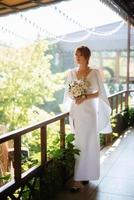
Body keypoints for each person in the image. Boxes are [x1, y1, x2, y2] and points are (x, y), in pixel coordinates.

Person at [63, 46, 112, 192]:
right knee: (79, 144)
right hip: (77, 111)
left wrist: (85, 96)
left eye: (80, 55)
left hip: (90, 113)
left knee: (89, 144)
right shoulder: (72, 73)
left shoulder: (94, 72)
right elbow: (68, 92)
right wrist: (75, 96)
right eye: (75, 55)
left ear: (86, 57)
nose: (77, 57)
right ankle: (79, 177)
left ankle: (83, 177)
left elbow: (100, 93)